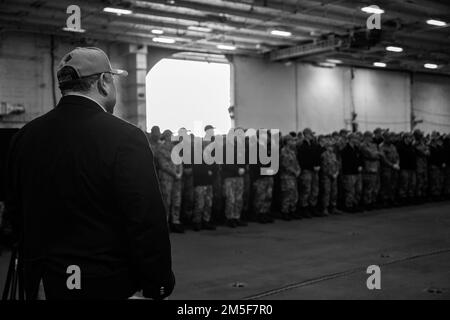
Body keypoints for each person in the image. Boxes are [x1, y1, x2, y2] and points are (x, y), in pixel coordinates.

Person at [4, 47, 174, 299]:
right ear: (104, 82)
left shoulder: (24, 137)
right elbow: (146, 220)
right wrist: (157, 284)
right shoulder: (125, 138)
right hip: (106, 283)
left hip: (43, 283)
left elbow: (15, 213)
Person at [156, 130, 184, 233]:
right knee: (166, 202)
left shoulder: (175, 148)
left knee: (177, 200)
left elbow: (180, 162)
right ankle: (165, 223)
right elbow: (163, 165)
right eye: (169, 135)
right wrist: (175, 173)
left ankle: (175, 222)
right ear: (165, 137)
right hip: (166, 178)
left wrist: (180, 172)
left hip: (176, 178)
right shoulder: (160, 149)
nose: (171, 137)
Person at [296, 128, 322, 218]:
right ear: (306, 134)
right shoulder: (301, 145)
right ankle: (304, 207)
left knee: (315, 189)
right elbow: (303, 159)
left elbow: (318, 155)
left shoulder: (314, 144)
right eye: (310, 133)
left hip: (315, 170)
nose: (311, 135)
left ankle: (312, 206)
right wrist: (312, 166)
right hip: (306, 170)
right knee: (306, 190)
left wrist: (318, 165)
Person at [279, 135, 301, 220]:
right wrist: (294, 171)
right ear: (287, 141)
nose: (293, 142)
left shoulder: (292, 152)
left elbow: (296, 163)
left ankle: (292, 210)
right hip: (286, 176)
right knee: (287, 194)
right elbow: (284, 164)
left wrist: (298, 170)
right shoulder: (283, 151)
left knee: (294, 194)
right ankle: (285, 211)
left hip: (293, 176)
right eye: (291, 140)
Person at [341, 134, 363, 213]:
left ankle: (355, 204)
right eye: (355, 138)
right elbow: (346, 163)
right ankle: (349, 205)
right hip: (349, 173)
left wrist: (360, 165)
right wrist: (355, 167)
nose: (357, 140)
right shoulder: (345, 150)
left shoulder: (357, 149)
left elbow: (360, 158)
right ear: (350, 139)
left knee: (358, 189)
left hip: (357, 172)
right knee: (350, 190)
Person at [360, 131, 381, 210]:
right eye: (370, 136)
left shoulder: (374, 145)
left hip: (375, 167)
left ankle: (372, 201)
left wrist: (376, 154)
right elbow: (371, 154)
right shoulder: (363, 145)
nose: (371, 138)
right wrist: (376, 154)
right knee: (368, 186)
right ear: (366, 137)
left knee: (375, 186)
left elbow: (379, 154)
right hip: (368, 168)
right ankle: (367, 203)